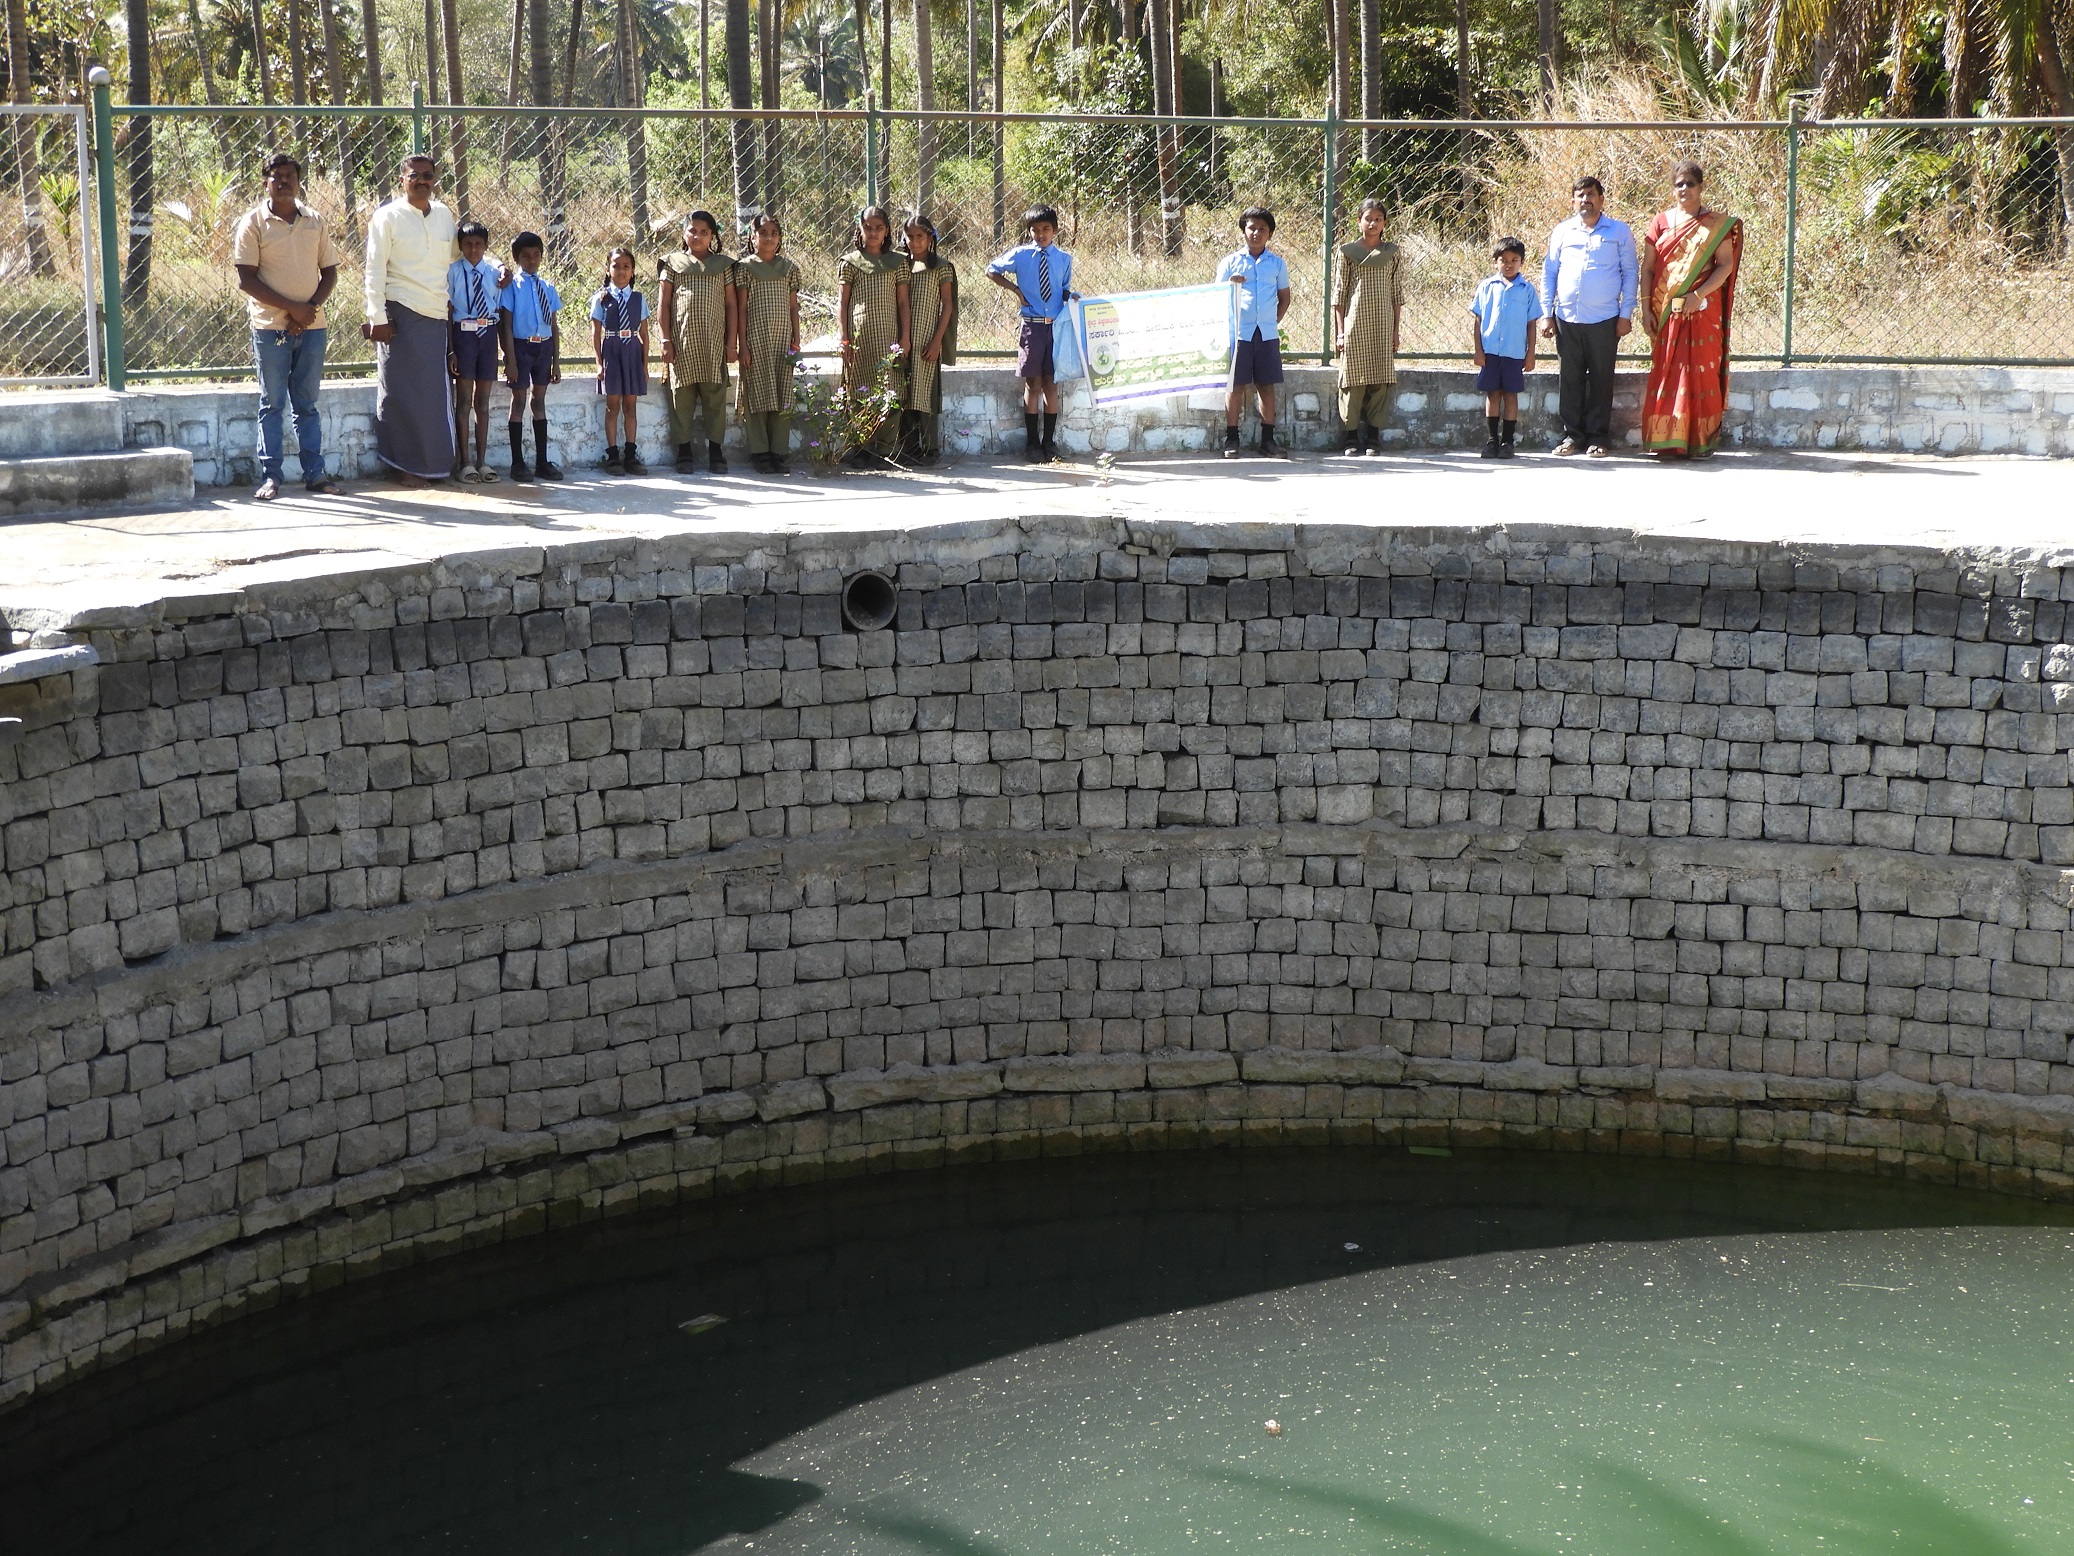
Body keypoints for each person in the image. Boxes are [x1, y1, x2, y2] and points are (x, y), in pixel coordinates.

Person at [232, 152, 342, 499]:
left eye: (290, 176)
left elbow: (330, 272)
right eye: (276, 176)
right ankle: (272, 476)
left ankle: (315, 474)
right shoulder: (252, 223)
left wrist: (307, 310)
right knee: (273, 403)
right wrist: (290, 309)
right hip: (269, 327)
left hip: (311, 326)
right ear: (265, 181)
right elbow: (246, 279)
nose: (283, 182)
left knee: (307, 404)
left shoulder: (315, 221)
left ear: (298, 181)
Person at [364, 153, 463, 487]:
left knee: (433, 396)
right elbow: (375, 270)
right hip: (400, 316)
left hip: (436, 316)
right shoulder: (386, 217)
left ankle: (433, 467)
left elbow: (456, 255)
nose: (422, 181)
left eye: (428, 176)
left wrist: (494, 269)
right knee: (400, 394)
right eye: (415, 175)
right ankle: (404, 467)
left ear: (434, 180)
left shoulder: (444, 215)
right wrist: (377, 317)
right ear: (401, 180)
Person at [1638, 160, 1743, 459]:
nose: (1684, 189)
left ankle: (1700, 440)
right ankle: (1667, 441)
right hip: (1666, 310)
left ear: (1700, 187)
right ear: (1673, 189)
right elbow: (1647, 269)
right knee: (1668, 371)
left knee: (1700, 373)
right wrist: (1646, 309)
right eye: (1679, 184)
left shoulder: (1714, 224)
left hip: (1701, 310)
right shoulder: (1660, 222)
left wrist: (1699, 294)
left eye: (1690, 184)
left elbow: (1725, 265)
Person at [1539, 175, 1636, 458]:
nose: (1586, 200)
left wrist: (1626, 313)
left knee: (1602, 380)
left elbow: (1630, 273)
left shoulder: (1618, 232)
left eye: (1591, 194)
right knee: (1569, 379)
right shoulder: (1562, 231)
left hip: (1605, 319)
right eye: (1580, 195)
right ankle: (1572, 436)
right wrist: (1547, 313)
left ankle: (1598, 437)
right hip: (1567, 318)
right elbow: (1549, 273)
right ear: (1573, 201)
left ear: (1602, 199)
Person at [986, 205, 1074, 463]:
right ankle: (1032, 443)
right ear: (1029, 232)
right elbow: (991, 270)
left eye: (1046, 229)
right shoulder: (1021, 255)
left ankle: (1049, 442)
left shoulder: (1064, 259)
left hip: (1055, 327)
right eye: (1035, 230)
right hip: (1032, 326)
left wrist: (1074, 299)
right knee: (1032, 384)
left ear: (1055, 230)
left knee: (1051, 384)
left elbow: (1064, 289)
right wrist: (1015, 289)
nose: (1040, 234)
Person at [659, 209, 737, 474]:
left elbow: (731, 305)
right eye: (692, 230)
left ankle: (716, 451)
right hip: (682, 343)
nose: (698, 236)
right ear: (683, 232)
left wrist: (731, 343)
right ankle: (684, 453)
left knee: (715, 397)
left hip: (713, 344)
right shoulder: (672, 263)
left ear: (712, 235)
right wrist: (666, 339)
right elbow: (664, 304)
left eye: (704, 232)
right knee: (681, 397)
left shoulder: (723, 266)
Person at [1216, 207, 1293, 460]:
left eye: (1262, 229)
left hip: (1266, 333)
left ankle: (1268, 441)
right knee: (1235, 385)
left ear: (1269, 234)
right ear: (1243, 230)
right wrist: (1231, 285)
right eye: (1251, 228)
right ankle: (1232, 438)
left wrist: (1273, 321)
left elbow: (1284, 298)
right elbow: (1216, 298)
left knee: (1266, 385)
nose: (1256, 233)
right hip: (1239, 333)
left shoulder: (1277, 264)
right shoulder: (1229, 263)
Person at [838, 204, 911, 469]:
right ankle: (860, 448)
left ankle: (884, 450)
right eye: (867, 227)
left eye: (878, 228)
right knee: (858, 389)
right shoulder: (850, 263)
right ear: (860, 228)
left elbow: (903, 303)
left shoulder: (898, 262)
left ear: (887, 231)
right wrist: (844, 337)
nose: (873, 233)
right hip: (860, 338)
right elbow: (843, 303)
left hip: (889, 337)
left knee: (889, 391)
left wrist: (905, 338)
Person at [1332, 196, 1405, 458]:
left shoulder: (1392, 253)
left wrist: (1396, 330)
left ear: (1384, 223)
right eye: (1368, 219)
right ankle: (1351, 437)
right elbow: (1339, 294)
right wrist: (1340, 332)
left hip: (1383, 323)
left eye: (1378, 219)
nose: (1373, 223)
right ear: (1358, 221)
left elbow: (1397, 293)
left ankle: (1373, 437)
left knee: (1380, 380)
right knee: (1352, 379)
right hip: (1354, 323)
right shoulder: (1346, 252)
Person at [732, 211, 802, 475]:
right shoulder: (745, 268)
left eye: (774, 233)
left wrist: (796, 340)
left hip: (782, 340)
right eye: (763, 233)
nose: (768, 238)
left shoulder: (789, 269)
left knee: (782, 394)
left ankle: (778, 451)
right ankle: (760, 452)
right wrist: (743, 345)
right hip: (756, 339)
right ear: (753, 236)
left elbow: (793, 307)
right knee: (758, 393)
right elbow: (741, 308)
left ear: (780, 237)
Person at [496, 229, 564, 482]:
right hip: (521, 347)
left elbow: (554, 326)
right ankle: (517, 463)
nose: (532, 260)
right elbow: (506, 325)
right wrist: (510, 359)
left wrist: (556, 361)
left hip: (543, 347)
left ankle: (542, 462)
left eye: (537, 255)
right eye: (526, 256)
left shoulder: (548, 287)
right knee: (520, 400)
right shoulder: (512, 287)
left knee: (540, 401)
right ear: (517, 259)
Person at [1469, 237, 1541, 459]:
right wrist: (1478, 350)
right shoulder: (1486, 287)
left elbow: (1531, 324)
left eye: (1514, 260)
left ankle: (1508, 441)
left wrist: (1530, 353)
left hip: (1514, 352)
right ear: (1495, 262)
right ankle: (1492, 440)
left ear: (1522, 262)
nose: (1509, 264)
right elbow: (1478, 320)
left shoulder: (1527, 290)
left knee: (1510, 395)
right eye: (1503, 260)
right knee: (1493, 394)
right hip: (1490, 351)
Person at [446, 219, 504, 483]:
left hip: (488, 335)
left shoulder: (495, 273)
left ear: (486, 246)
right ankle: (465, 463)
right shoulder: (453, 272)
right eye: (468, 245)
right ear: (460, 246)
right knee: (464, 402)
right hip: (464, 335)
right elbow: (448, 312)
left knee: (483, 402)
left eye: (479, 244)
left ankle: (482, 461)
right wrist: (451, 349)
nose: (473, 250)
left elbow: (500, 310)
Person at [900, 213, 958, 467]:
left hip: (926, 339)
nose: (915, 242)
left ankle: (930, 446)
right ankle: (908, 446)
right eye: (910, 237)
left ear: (930, 238)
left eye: (920, 237)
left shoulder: (941, 267)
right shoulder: (899, 265)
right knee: (903, 391)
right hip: (901, 338)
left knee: (925, 393)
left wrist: (937, 342)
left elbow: (947, 306)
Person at [591, 246, 651, 474]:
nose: (621, 271)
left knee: (630, 405)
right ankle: (613, 455)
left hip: (633, 350)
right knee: (612, 404)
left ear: (633, 271)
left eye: (626, 267)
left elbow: (644, 333)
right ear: (608, 269)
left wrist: (645, 365)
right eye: (616, 266)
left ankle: (631, 454)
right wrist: (599, 363)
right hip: (613, 351)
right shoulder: (602, 298)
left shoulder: (638, 298)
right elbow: (595, 333)